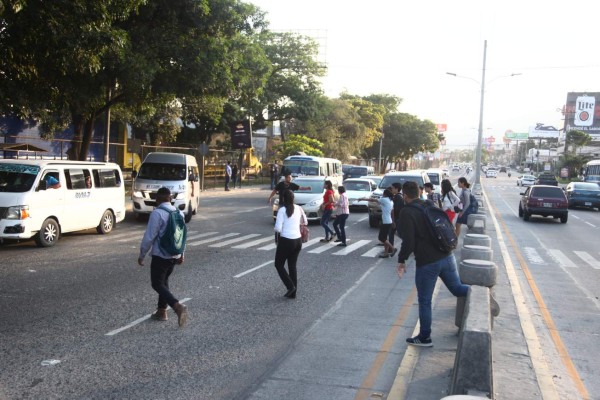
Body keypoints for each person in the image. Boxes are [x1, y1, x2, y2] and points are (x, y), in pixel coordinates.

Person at [396, 181, 470, 346]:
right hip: (446, 254)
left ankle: (425, 337)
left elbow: (409, 241)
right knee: (457, 288)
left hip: (428, 262)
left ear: (405, 195)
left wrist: (401, 260)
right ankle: (480, 293)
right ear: (419, 192)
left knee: (424, 300)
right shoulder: (429, 204)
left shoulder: (407, 212)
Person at [138, 187, 188, 327]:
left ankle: (177, 306)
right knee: (164, 282)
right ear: (170, 198)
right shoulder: (179, 213)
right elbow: (183, 236)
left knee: (157, 283)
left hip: (161, 255)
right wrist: (181, 253)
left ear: (157, 199)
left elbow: (149, 237)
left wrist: (142, 255)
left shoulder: (157, 213)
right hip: (174, 254)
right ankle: (161, 311)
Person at [274, 189, 307, 299]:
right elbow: (305, 222)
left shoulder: (282, 210)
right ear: (293, 199)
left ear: (283, 199)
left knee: (278, 265)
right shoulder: (299, 208)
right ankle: (293, 293)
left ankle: (290, 286)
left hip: (286, 241)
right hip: (298, 241)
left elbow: (278, 228)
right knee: (292, 266)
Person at [361, 188, 396, 258]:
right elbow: (392, 212)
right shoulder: (391, 201)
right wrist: (393, 221)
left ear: (385, 194)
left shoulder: (384, 199)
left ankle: (393, 248)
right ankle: (386, 253)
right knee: (385, 238)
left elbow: (372, 200)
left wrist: (363, 199)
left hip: (386, 221)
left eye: (383, 193)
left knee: (381, 238)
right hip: (389, 221)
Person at [389, 183, 404, 248]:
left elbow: (396, 209)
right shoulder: (399, 196)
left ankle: (391, 248)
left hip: (396, 219)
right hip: (398, 218)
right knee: (393, 233)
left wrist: (393, 220)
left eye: (392, 188)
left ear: (396, 189)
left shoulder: (398, 197)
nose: (391, 189)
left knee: (395, 234)